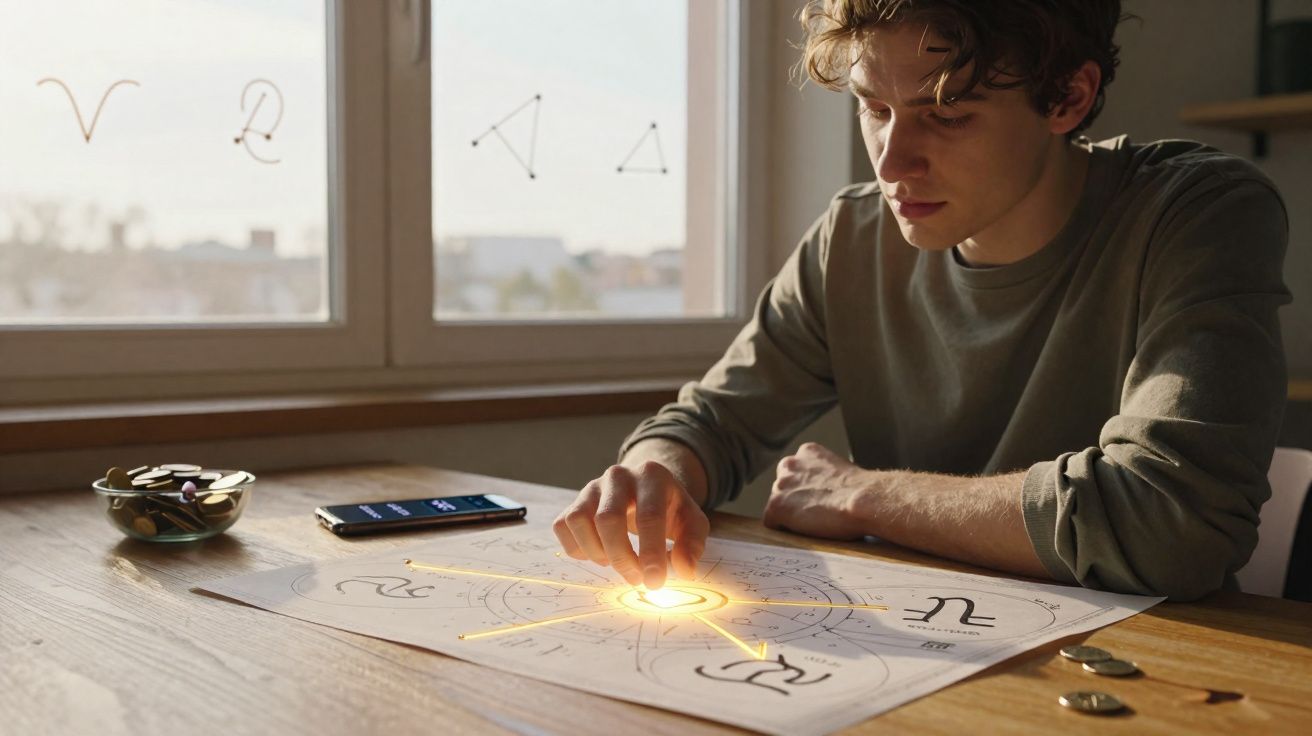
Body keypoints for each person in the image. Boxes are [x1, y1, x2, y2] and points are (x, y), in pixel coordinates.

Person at [553, 0, 1290, 601]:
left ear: (1069, 96)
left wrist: (864, 496)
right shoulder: (852, 236)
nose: (892, 162)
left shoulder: (1196, 212)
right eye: (873, 107)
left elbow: (1174, 524)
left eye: (946, 114)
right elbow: (710, 422)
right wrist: (659, 471)